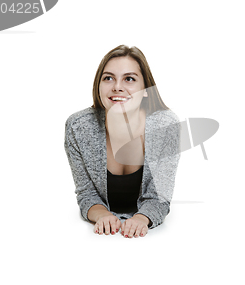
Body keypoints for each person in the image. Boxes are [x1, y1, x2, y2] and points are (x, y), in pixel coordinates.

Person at [64, 45, 180, 238]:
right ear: (98, 86)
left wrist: (142, 218)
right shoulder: (78, 127)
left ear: (145, 90)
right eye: (108, 78)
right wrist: (102, 215)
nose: (117, 86)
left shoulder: (166, 127)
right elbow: (86, 194)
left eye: (129, 79)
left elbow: (160, 197)